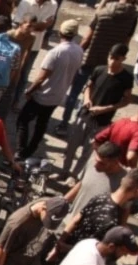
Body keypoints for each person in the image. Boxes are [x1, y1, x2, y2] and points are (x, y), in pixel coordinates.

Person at [60, 0, 138, 128]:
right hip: (108, 65)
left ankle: (64, 125)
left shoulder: (103, 12)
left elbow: (87, 38)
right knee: (93, 96)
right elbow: (125, 43)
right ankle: (80, 124)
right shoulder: (132, 18)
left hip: (90, 58)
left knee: (75, 92)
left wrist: (78, 54)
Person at [61, 43, 132, 180]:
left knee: (87, 152)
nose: (112, 61)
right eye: (110, 57)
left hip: (101, 122)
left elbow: (127, 100)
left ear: (123, 59)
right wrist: (87, 99)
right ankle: (64, 171)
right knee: (71, 147)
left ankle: (74, 176)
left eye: (116, 59)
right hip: (84, 116)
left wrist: (106, 108)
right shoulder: (99, 70)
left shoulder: (126, 78)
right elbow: (89, 86)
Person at [17, 19, 83, 160]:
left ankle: (21, 151)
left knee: (23, 121)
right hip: (58, 96)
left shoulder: (55, 52)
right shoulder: (79, 50)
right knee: (42, 124)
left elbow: (41, 78)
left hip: (43, 96)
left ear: (60, 32)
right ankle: (31, 150)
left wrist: (29, 91)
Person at [58, 168, 138, 247]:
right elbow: (95, 249)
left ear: (122, 180)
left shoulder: (101, 196)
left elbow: (75, 220)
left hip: (69, 242)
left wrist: (59, 244)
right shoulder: (112, 220)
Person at [92, 98, 138, 169]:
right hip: (117, 171)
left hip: (106, 168)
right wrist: (132, 169)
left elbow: (96, 141)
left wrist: (104, 160)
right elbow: (131, 157)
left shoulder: (120, 122)